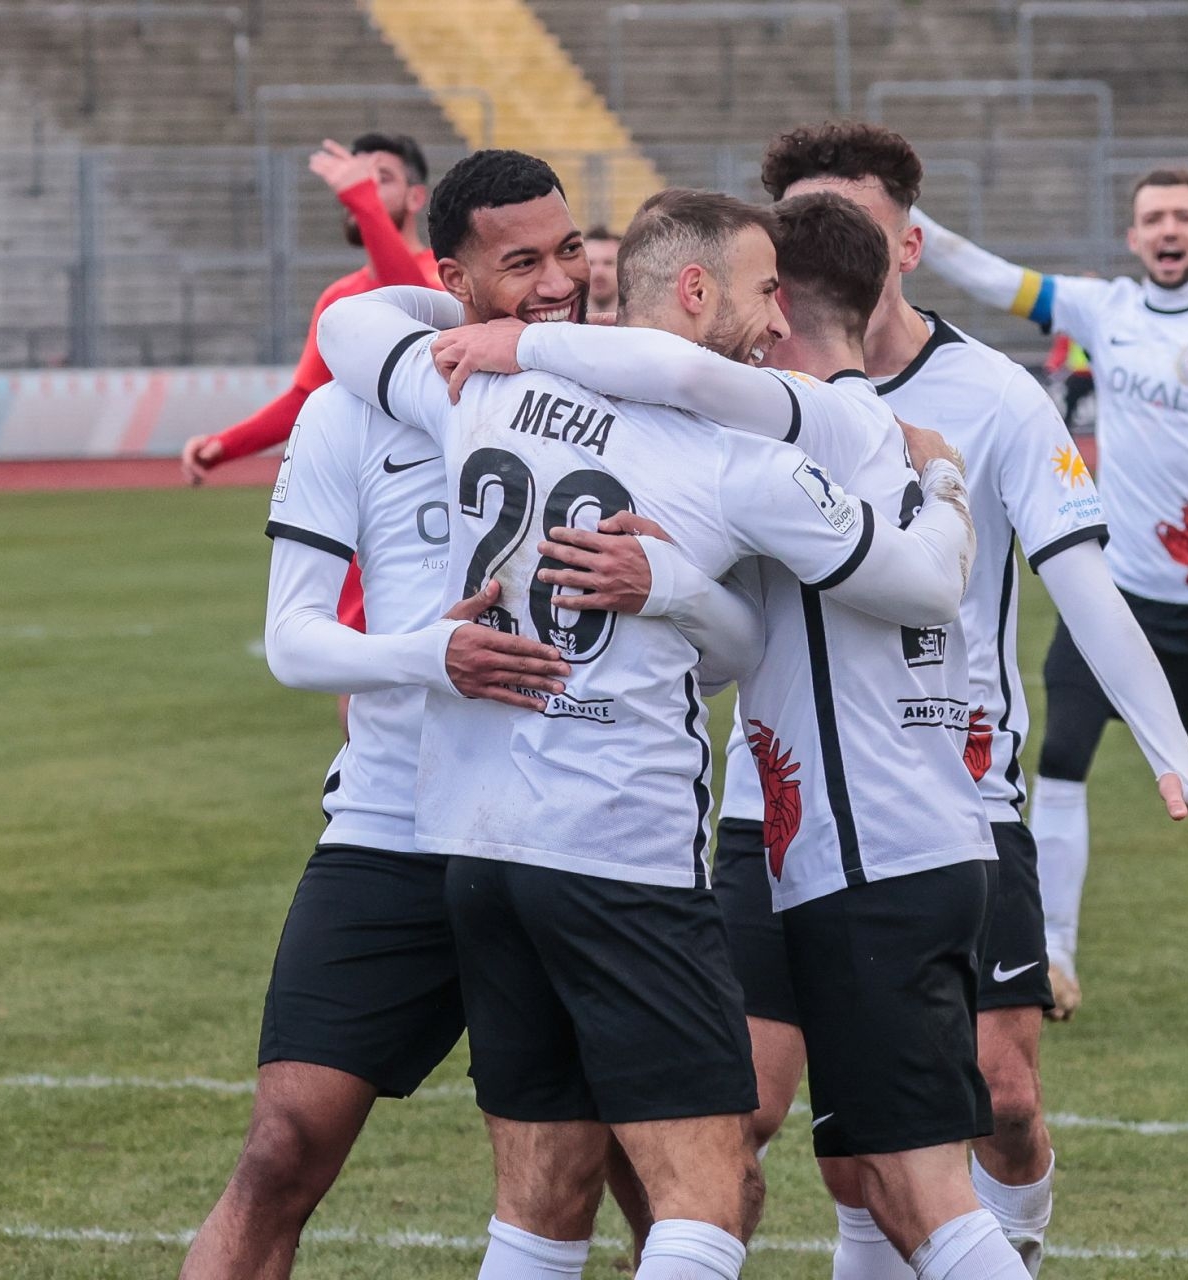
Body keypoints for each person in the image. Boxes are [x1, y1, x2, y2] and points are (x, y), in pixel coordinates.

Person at [421, 184, 1188, 1278]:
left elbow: (949, 579)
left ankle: (1015, 1235)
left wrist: (517, 341)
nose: (764, 317)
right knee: (833, 1161)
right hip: (788, 830)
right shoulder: (747, 425)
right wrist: (671, 580)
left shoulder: (829, 417)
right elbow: (732, 645)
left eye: (773, 290)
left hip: (900, 832)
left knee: (928, 1168)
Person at [318, 164, 990, 1280]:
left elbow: (348, 325)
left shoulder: (472, 390)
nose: (776, 318)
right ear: (693, 291)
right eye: (764, 290)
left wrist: (493, 328)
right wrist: (949, 484)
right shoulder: (742, 456)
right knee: (706, 1199)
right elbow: (923, 587)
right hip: (620, 848)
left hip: (477, 848)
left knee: (539, 1203)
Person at [177, 146, 584, 1280]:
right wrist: (429, 656)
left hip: (563, 833)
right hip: (389, 826)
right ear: (451, 279)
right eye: (522, 264)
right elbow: (296, 639)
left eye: (568, 251)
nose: (559, 282)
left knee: (624, 1178)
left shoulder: (612, 396)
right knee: (281, 1148)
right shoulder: (346, 414)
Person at [911, 167, 1188, 997]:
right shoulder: (1103, 310)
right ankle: (1057, 957)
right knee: (1061, 758)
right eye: (1153, 217)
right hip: (1108, 590)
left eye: (1183, 217)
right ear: (1132, 237)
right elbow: (989, 275)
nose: (1168, 229)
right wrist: (907, 215)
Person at [178, 133, 441, 635]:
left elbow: (418, 313)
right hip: (363, 504)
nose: (360, 189)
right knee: (355, 658)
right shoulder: (340, 297)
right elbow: (305, 398)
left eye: (380, 179)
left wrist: (362, 199)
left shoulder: (444, 276)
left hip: (430, 501)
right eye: (357, 180)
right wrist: (224, 445)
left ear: (415, 197)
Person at [583, 224, 621, 315]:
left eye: (608, 263)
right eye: (590, 263)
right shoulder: (562, 322)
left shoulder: (643, 322)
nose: (599, 271)